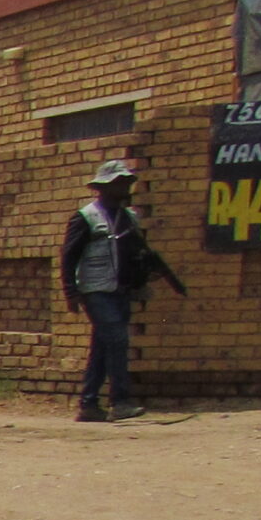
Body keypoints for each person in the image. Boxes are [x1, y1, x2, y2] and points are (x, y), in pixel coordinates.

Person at [62, 159, 184, 422]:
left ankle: (89, 404)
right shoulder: (86, 217)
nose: (125, 188)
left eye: (127, 183)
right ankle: (120, 401)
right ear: (104, 187)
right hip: (96, 289)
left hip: (121, 289)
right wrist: (70, 292)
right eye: (119, 183)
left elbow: (137, 252)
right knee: (117, 340)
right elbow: (69, 256)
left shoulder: (129, 217)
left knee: (103, 346)